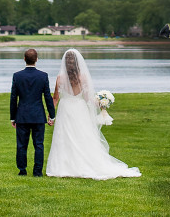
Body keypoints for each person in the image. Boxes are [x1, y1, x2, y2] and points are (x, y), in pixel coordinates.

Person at [46, 48, 141, 180]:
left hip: (65, 108)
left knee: (64, 136)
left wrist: (51, 116)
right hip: (79, 108)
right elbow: (88, 99)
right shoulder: (83, 77)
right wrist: (101, 102)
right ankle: (82, 164)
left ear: (65, 63)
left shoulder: (60, 78)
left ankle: (64, 166)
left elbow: (55, 98)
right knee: (81, 136)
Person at [10, 48, 55, 177]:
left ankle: (22, 170)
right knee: (39, 145)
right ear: (37, 59)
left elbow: (14, 97)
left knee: (21, 145)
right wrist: (52, 115)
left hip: (22, 115)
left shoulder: (17, 76)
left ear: (24, 59)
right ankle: (37, 172)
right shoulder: (43, 76)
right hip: (38, 115)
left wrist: (13, 117)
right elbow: (47, 97)